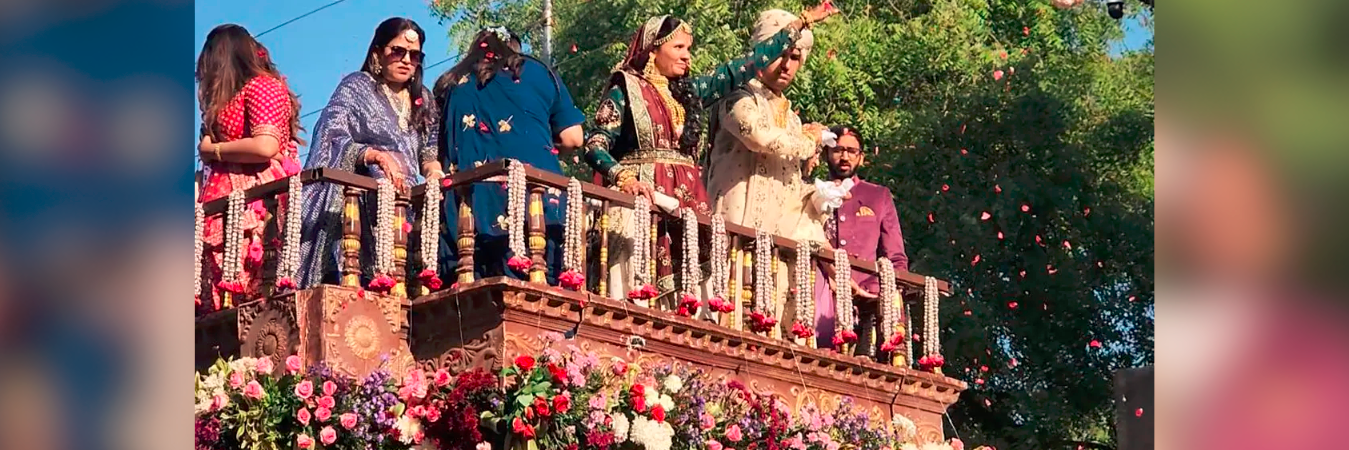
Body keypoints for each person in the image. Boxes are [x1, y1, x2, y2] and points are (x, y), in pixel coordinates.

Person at [585, 4, 838, 301]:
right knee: (637, 289)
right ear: (653, 50)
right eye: (678, 47)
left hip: (687, 206)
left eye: (688, 49)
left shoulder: (689, 92)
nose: (686, 55)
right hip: (641, 203)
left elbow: (743, 66)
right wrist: (625, 179)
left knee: (688, 298)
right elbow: (595, 145)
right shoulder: (625, 88)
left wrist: (800, 24)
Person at [430, 26, 586, 284]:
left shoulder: (452, 82)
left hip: (468, 213)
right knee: (541, 299)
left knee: (476, 307)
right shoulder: (537, 71)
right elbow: (574, 138)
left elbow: (439, 147)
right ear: (515, 48)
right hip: (535, 205)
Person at [297, 17, 440, 289]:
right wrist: (372, 155)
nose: (406, 60)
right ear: (378, 53)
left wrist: (434, 172)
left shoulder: (426, 98)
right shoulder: (356, 87)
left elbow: (428, 155)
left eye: (414, 55)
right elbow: (331, 134)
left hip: (407, 205)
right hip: (362, 207)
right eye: (397, 51)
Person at [195, 24, 304, 313]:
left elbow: (265, 146)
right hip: (220, 201)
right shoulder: (224, 99)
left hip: (254, 196)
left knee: (254, 285)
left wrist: (213, 150)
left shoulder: (263, 86)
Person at [812, 126, 908, 352]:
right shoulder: (814, 191)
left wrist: (887, 293)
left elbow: (895, 256)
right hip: (822, 292)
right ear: (827, 154)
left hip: (867, 297)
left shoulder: (878, 196)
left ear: (861, 158)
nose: (844, 156)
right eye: (838, 150)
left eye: (851, 151)